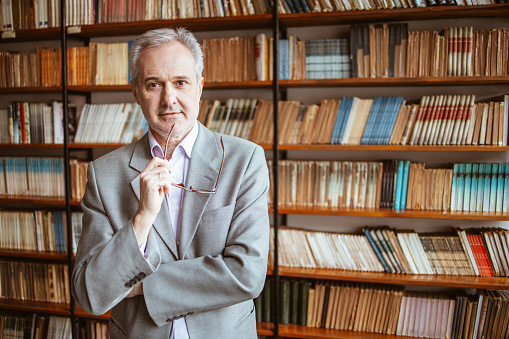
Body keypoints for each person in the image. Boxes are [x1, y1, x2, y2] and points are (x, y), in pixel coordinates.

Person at [72, 27, 270, 339]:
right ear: (136, 92)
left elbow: (247, 274)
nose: (169, 99)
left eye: (180, 82)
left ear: (200, 87)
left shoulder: (245, 161)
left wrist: (140, 286)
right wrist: (142, 219)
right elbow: (91, 294)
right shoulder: (103, 174)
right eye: (154, 84)